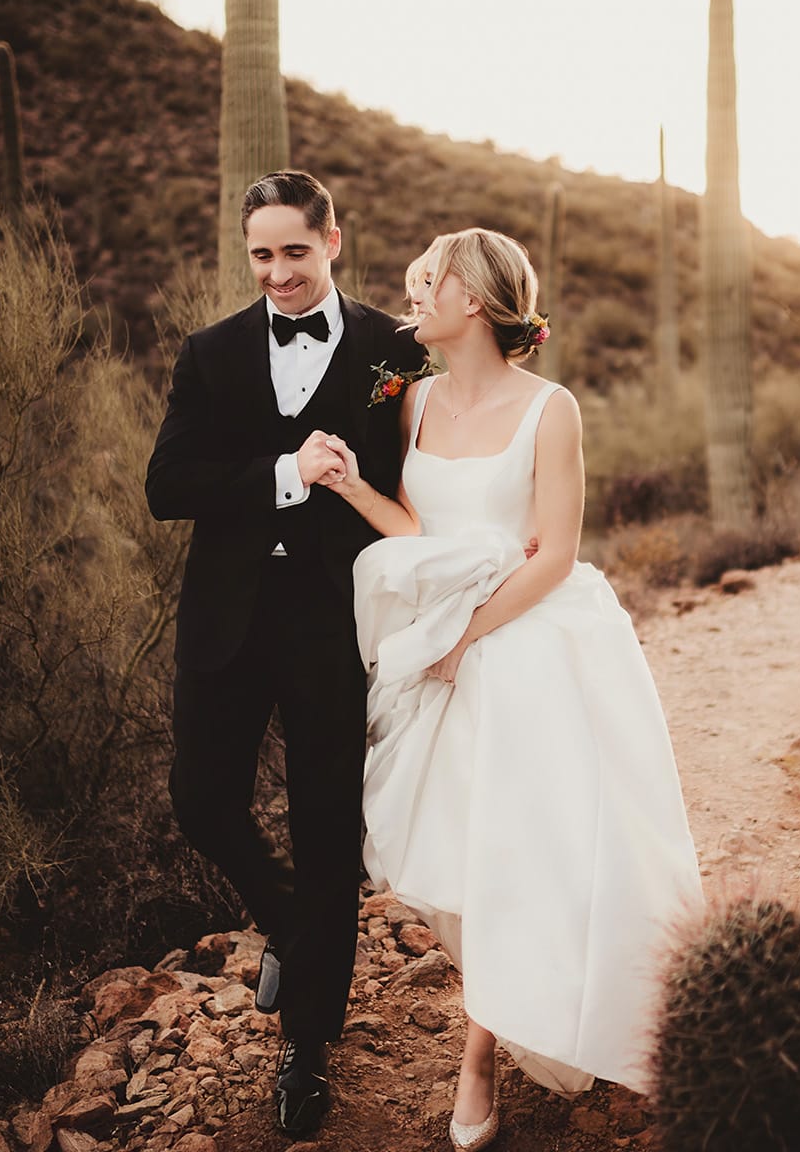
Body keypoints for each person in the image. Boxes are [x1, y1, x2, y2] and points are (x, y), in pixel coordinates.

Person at [317, 228, 705, 1150]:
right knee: (462, 851)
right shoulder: (409, 403)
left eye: (430, 282)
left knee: (519, 849)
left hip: (527, 642)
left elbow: (558, 555)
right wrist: (348, 489)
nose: (414, 295)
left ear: (478, 304)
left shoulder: (552, 409)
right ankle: (499, 1012)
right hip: (441, 640)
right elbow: (419, 524)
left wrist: (468, 635)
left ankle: (477, 1053)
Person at [144, 170, 425, 1137]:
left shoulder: (396, 348)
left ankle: (309, 1049)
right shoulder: (211, 351)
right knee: (202, 797)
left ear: (332, 242)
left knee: (324, 833)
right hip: (226, 618)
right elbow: (166, 482)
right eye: (260, 255)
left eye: (294, 252)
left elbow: (418, 470)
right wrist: (282, 472)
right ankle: (294, 930)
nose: (277, 274)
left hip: (334, 625)